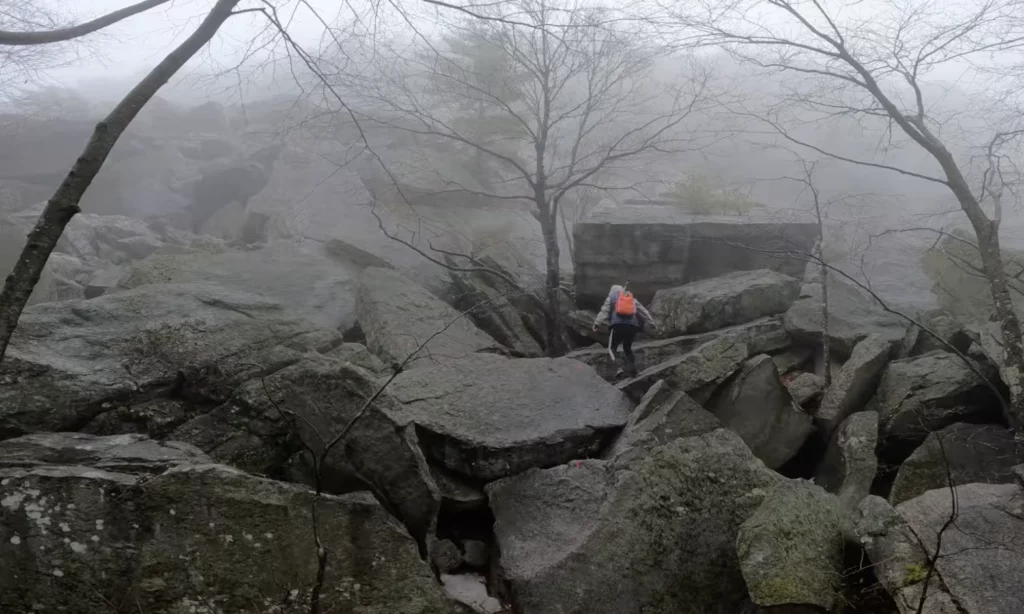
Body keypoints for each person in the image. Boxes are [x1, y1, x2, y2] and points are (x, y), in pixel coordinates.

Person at [592, 284, 656, 377]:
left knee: (611, 348)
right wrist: (651, 322)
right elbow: (643, 311)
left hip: (617, 326)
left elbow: (604, 311)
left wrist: (597, 323)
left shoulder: (611, 298)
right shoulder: (630, 298)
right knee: (627, 348)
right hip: (632, 327)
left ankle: (619, 368)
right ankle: (633, 371)